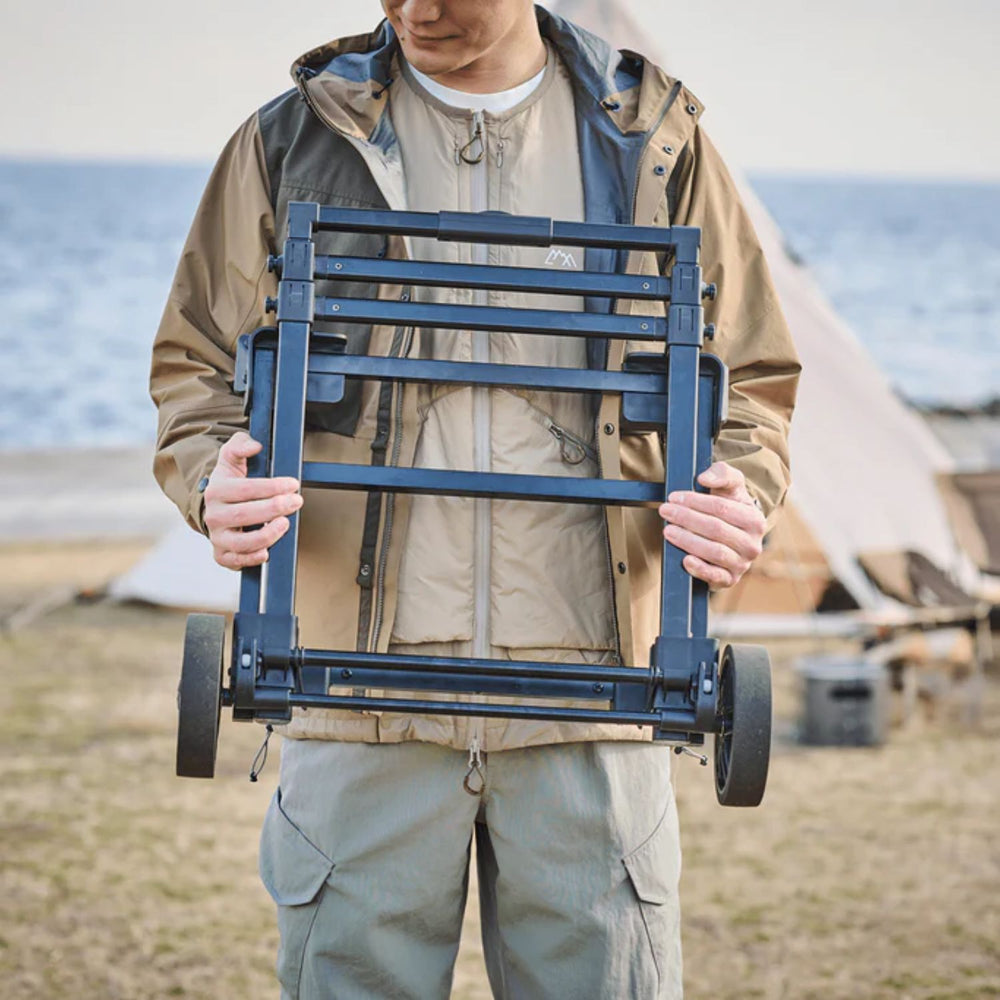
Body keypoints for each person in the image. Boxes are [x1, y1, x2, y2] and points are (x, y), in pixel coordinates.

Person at [150, 2, 799, 996]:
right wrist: (211, 479)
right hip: (358, 697)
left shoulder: (655, 143)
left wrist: (739, 491)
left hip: (596, 705)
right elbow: (196, 362)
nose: (416, 10)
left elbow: (749, 379)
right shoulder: (291, 139)